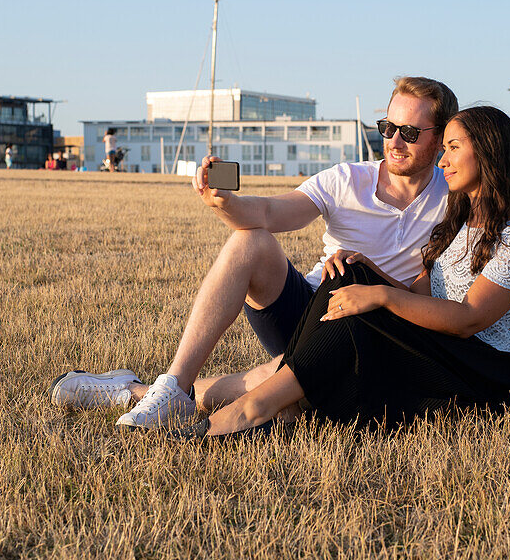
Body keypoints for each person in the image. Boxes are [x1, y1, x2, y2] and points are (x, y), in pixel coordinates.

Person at [50, 77, 459, 428]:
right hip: (312, 310)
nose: (394, 141)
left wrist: (371, 275)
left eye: (410, 132)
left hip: (378, 331)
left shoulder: (455, 200)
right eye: (389, 127)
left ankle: (134, 391)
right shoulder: (347, 179)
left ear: (440, 139)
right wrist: (224, 201)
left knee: (280, 389)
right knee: (251, 240)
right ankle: (174, 384)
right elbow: (268, 212)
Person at [172, 106, 510, 438]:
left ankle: (251, 409)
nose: (443, 160)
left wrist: (381, 295)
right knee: (344, 275)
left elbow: (468, 320)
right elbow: (422, 297)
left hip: (491, 374)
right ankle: (256, 403)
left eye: (453, 148)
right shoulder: (461, 222)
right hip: (444, 349)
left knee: (356, 322)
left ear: (490, 152)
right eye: (443, 149)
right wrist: (369, 272)